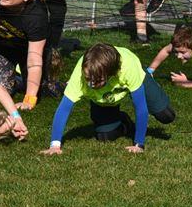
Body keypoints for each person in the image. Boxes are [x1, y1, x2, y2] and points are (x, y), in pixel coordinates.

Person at [41, 42, 176, 154]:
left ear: (111, 74)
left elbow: (140, 107)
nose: (91, 84)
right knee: (105, 136)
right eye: (88, 79)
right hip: (105, 97)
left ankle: (153, 91)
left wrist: (138, 144)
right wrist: (55, 145)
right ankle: (124, 121)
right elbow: (64, 108)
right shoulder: (79, 75)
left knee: (166, 115)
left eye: (97, 80)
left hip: (134, 77)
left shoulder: (128, 67)